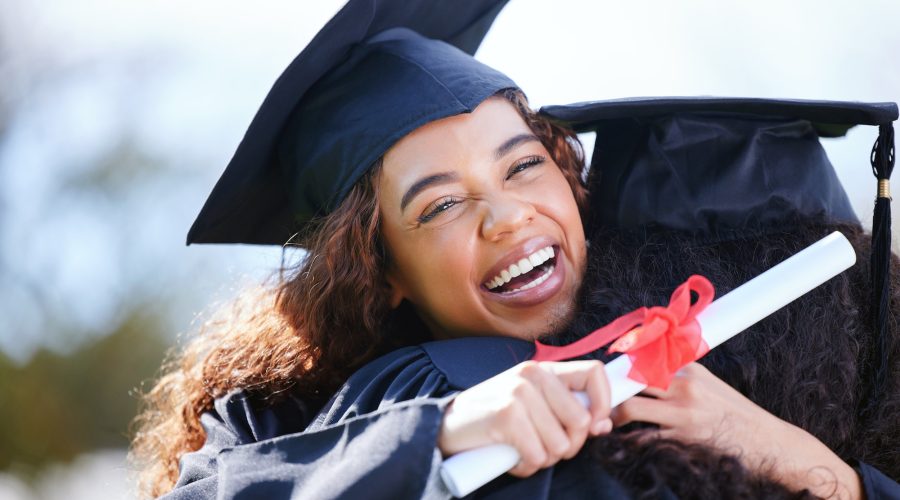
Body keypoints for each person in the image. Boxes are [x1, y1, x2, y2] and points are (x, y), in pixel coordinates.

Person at [130, 1, 900, 498]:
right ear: (380, 270)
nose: (506, 216)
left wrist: (807, 465)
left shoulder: (671, 364)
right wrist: (447, 428)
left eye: (525, 164)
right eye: (441, 205)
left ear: (572, 182)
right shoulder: (287, 419)